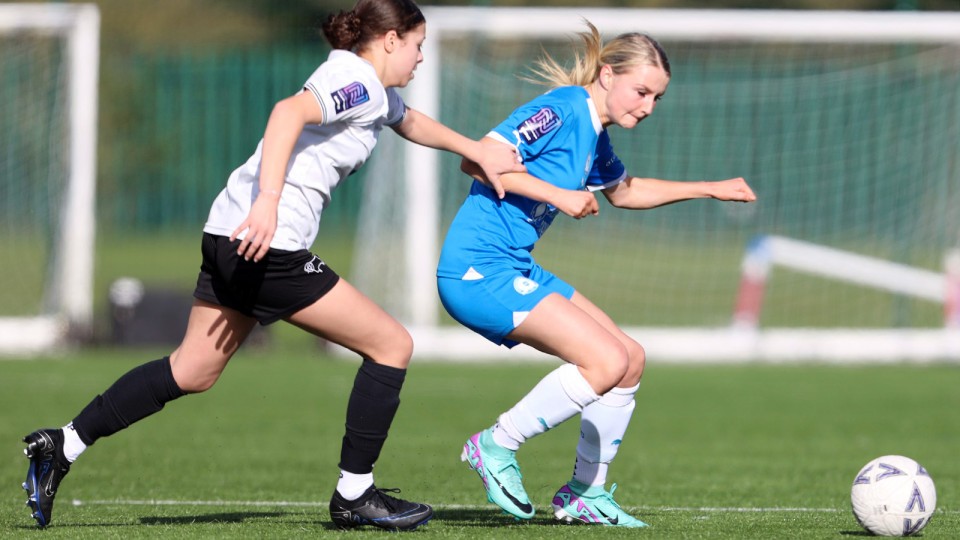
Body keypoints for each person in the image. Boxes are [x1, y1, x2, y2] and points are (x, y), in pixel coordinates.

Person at [20, 0, 523, 532]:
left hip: (226, 235)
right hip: (268, 243)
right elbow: (288, 112)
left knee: (192, 370)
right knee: (391, 345)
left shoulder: (369, 88)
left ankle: (64, 443)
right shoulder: (358, 81)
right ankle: (354, 493)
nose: (421, 58)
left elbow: (409, 119)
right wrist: (268, 199)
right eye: (418, 45)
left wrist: (475, 149)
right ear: (391, 39)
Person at [437, 21, 756, 528]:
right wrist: (559, 194)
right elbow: (478, 163)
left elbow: (625, 191)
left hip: (516, 266)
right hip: (477, 270)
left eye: (657, 98)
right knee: (604, 360)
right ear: (608, 75)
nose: (649, 106)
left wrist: (709, 188)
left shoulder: (595, 131)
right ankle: (495, 445)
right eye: (642, 91)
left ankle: (585, 492)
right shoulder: (561, 109)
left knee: (629, 359)